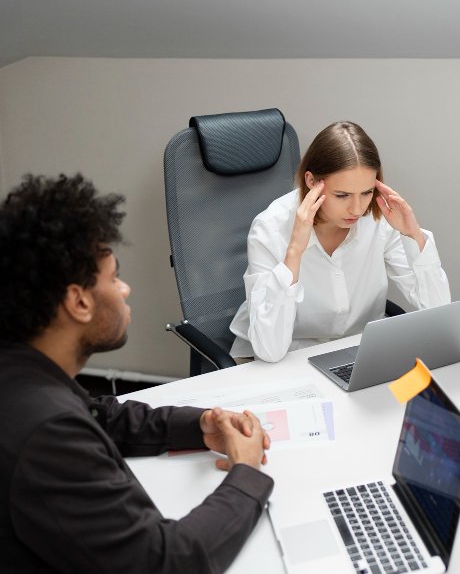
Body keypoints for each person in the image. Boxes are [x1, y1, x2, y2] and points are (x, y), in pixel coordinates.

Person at [0, 174, 273, 573]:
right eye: (113, 278)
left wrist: (199, 425)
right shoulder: (47, 435)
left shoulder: (23, 373)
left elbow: (98, 415)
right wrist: (246, 473)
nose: (124, 289)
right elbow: (170, 563)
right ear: (78, 301)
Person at [230, 120, 450, 362]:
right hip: (286, 357)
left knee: (423, 394)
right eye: (342, 195)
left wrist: (413, 235)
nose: (357, 209)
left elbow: (439, 315)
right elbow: (270, 350)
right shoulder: (270, 228)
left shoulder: (379, 219)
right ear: (312, 182)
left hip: (356, 353)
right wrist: (294, 250)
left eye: (366, 193)